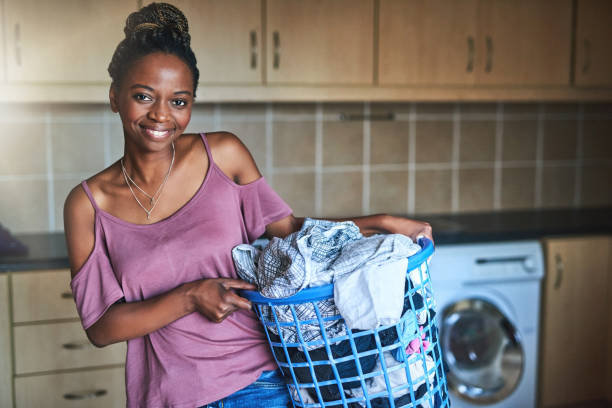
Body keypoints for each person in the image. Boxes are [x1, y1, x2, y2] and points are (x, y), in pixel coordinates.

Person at [63, 3, 433, 408]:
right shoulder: (87, 205)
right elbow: (101, 326)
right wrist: (189, 297)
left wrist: (380, 222)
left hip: (262, 385)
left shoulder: (224, 155)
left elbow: (292, 235)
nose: (161, 115)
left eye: (179, 101)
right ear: (115, 96)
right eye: (143, 96)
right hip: (169, 396)